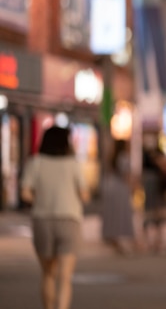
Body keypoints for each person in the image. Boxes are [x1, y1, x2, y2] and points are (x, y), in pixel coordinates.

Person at [20, 126, 90, 309]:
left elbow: (25, 193)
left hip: (42, 220)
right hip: (69, 220)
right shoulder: (73, 164)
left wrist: (41, 198)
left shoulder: (36, 162)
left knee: (47, 274)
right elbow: (84, 195)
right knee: (65, 276)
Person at [100, 139, 137, 255]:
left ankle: (113, 238)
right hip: (121, 189)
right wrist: (133, 187)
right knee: (122, 214)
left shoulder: (112, 157)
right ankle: (124, 241)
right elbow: (126, 175)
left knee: (113, 214)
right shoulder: (124, 157)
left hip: (111, 188)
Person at [141, 136, 166, 253]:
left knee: (157, 217)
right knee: (150, 216)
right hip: (152, 191)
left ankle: (157, 241)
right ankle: (150, 241)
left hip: (157, 191)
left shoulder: (157, 155)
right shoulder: (146, 156)